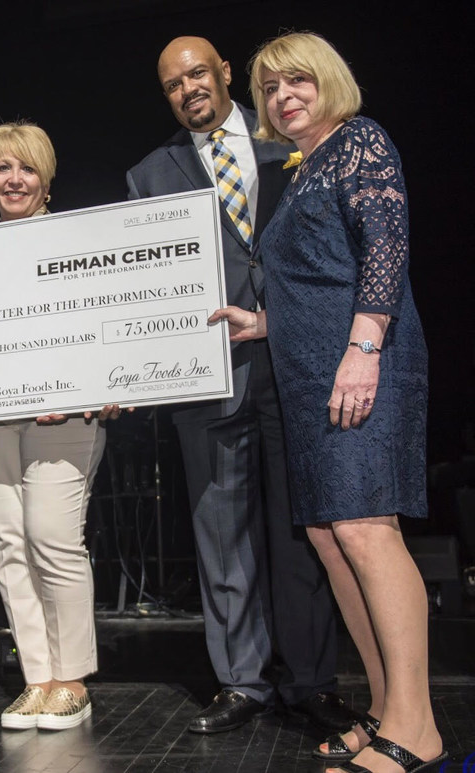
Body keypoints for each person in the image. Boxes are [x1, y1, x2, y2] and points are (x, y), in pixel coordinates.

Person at [210, 31, 446, 773]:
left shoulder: (360, 143)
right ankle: (383, 709)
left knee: (368, 530)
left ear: (328, 80)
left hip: (363, 363)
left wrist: (364, 348)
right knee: (329, 536)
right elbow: (320, 279)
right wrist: (264, 323)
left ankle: (419, 729)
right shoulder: (306, 167)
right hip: (310, 372)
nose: (283, 97)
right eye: (271, 89)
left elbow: (384, 247)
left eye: (297, 81)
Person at [126, 36, 356, 734]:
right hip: (207, 370)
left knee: (304, 526)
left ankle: (312, 678)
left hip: (295, 361)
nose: (188, 87)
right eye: (173, 83)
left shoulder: (289, 138)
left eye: (198, 72)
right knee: (220, 531)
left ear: (225, 72)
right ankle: (241, 679)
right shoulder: (147, 175)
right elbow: (143, 286)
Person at [0, 121, 122, 731]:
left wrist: (106, 383)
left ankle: (73, 679)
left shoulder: (77, 242)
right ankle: (37, 677)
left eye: (26, 168)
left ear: (47, 179)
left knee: (53, 540)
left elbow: (109, 319)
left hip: (64, 417)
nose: (14, 179)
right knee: (10, 544)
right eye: (3, 168)